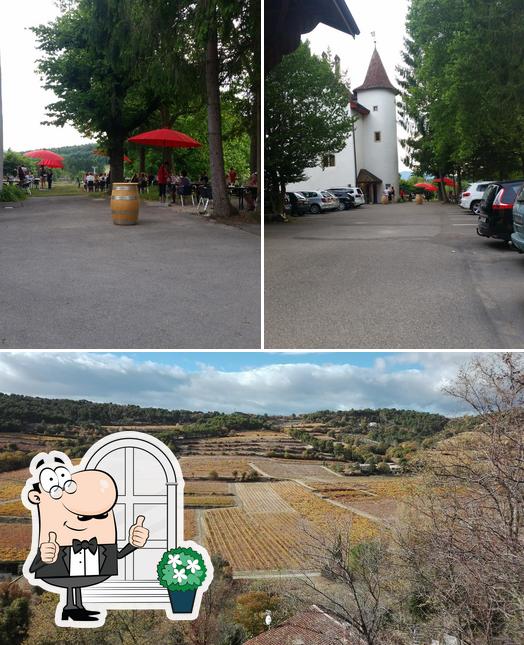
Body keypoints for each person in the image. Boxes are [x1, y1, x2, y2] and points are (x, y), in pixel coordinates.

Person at [23, 451, 149, 625]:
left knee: (75, 582)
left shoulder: (100, 545)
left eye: (101, 515)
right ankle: (71, 608)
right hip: (63, 566)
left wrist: (133, 544)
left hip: (85, 570)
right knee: (71, 582)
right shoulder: (53, 542)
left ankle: (75, 608)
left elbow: (116, 556)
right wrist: (44, 558)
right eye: (83, 517)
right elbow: (33, 568)